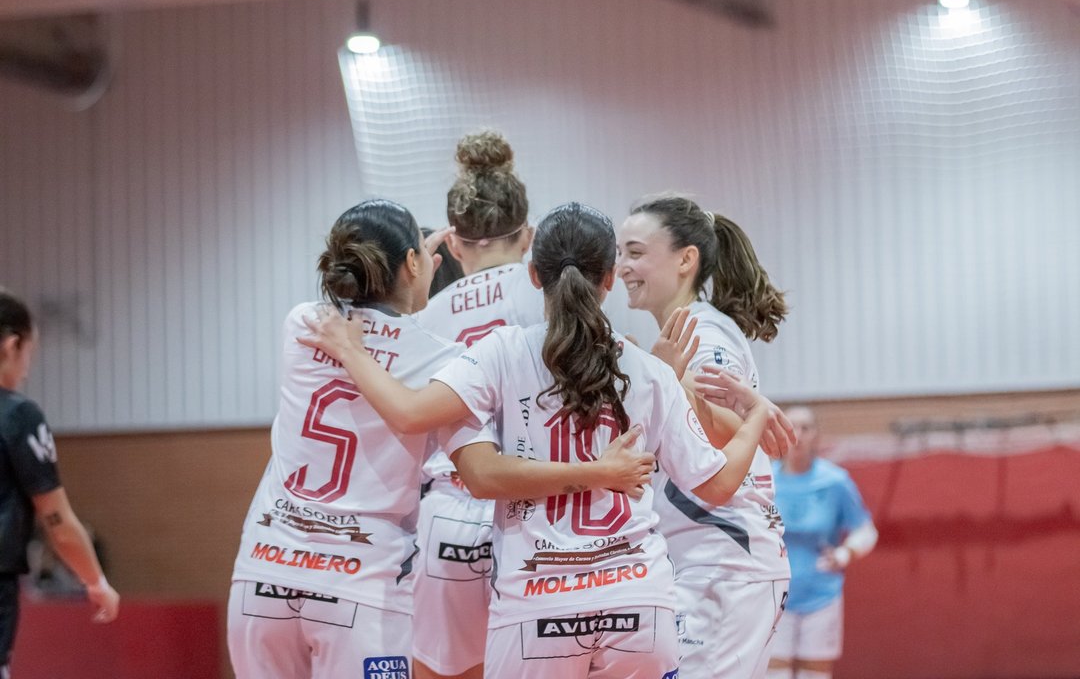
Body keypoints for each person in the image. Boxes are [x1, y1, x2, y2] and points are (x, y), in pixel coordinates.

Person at [299, 201, 796, 679]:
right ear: (607, 279)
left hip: (537, 601)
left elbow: (445, 444)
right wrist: (754, 415)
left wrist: (356, 349)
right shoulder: (649, 367)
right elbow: (718, 483)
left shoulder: (498, 352)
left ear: (534, 274)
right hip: (637, 600)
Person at [227, 199, 651, 679]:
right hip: (359, 579)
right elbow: (472, 459)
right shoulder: (441, 359)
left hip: (264, 567)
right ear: (413, 262)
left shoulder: (305, 323)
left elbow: (376, 321)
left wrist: (408, 268)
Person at [615, 193, 791, 679]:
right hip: (703, 559)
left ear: (685, 259)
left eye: (635, 252)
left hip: (723, 560)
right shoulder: (683, 334)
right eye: (619, 253)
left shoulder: (703, 336)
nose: (622, 267)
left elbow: (730, 433)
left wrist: (667, 382)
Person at [412, 131, 543, 679]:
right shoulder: (549, 295)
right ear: (529, 236)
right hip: (535, 506)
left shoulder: (427, 312)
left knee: (442, 670)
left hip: (449, 508)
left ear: (453, 245)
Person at [0, 290, 120, 678]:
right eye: (29, 354)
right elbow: (58, 521)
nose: (27, 370)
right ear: (11, 346)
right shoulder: (17, 416)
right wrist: (96, 582)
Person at [767, 407, 877, 679]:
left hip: (821, 594)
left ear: (816, 435)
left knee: (813, 674)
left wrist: (845, 553)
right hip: (774, 594)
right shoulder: (765, 481)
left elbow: (865, 530)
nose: (798, 435)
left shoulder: (835, 481)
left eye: (806, 428)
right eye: (792, 428)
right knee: (775, 673)